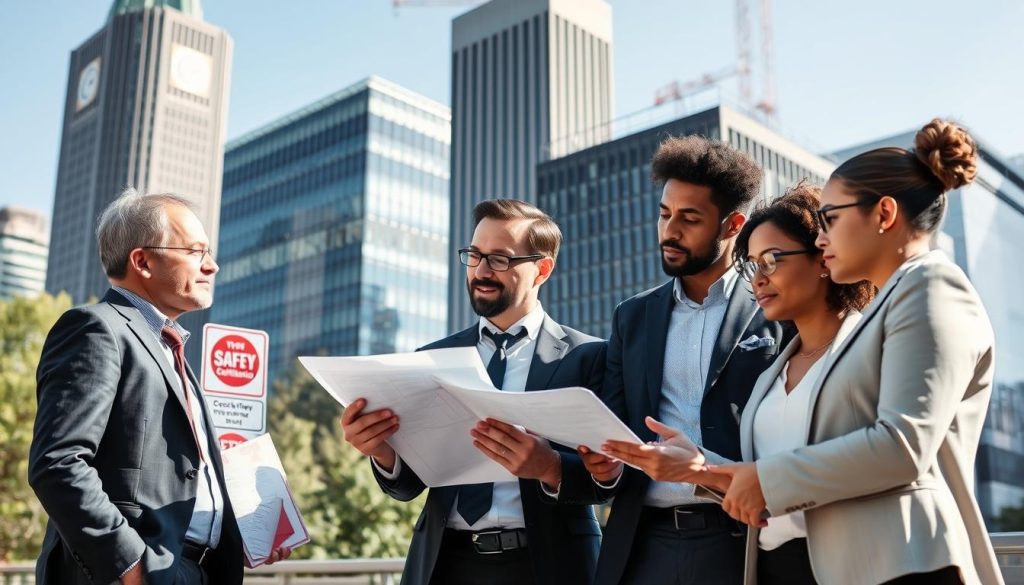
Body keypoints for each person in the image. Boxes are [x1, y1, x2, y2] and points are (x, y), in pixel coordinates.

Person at [705, 119, 1004, 585]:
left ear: (884, 214)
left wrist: (767, 480)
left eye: (830, 220)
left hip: (905, 563)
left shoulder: (931, 285)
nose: (821, 240)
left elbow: (903, 446)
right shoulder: (897, 298)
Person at [603, 183, 874, 584]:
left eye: (772, 259)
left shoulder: (864, 348)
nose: (759, 279)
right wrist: (696, 467)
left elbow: (875, 461)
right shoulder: (774, 375)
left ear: (823, 256)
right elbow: (767, 474)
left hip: (836, 559)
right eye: (753, 265)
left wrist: (701, 468)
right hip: (761, 554)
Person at [340, 199, 607, 585]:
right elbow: (409, 483)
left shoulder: (590, 356)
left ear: (542, 270)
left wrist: (550, 467)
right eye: (474, 255)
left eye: (499, 259)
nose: (481, 271)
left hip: (551, 564)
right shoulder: (431, 358)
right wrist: (381, 450)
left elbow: (614, 478)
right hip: (445, 564)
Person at [29, 190, 288, 585]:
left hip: (195, 571)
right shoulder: (97, 328)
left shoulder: (173, 351)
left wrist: (237, 538)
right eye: (196, 252)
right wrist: (130, 567)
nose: (212, 266)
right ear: (143, 261)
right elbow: (58, 463)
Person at [583, 136, 789, 585]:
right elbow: (615, 424)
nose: (669, 231)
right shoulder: (631, 317)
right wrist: (607, 464)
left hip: (744, 538)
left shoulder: (775, 309)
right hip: (642, 547)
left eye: (689, 219)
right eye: (664, 214)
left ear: (733, 224)